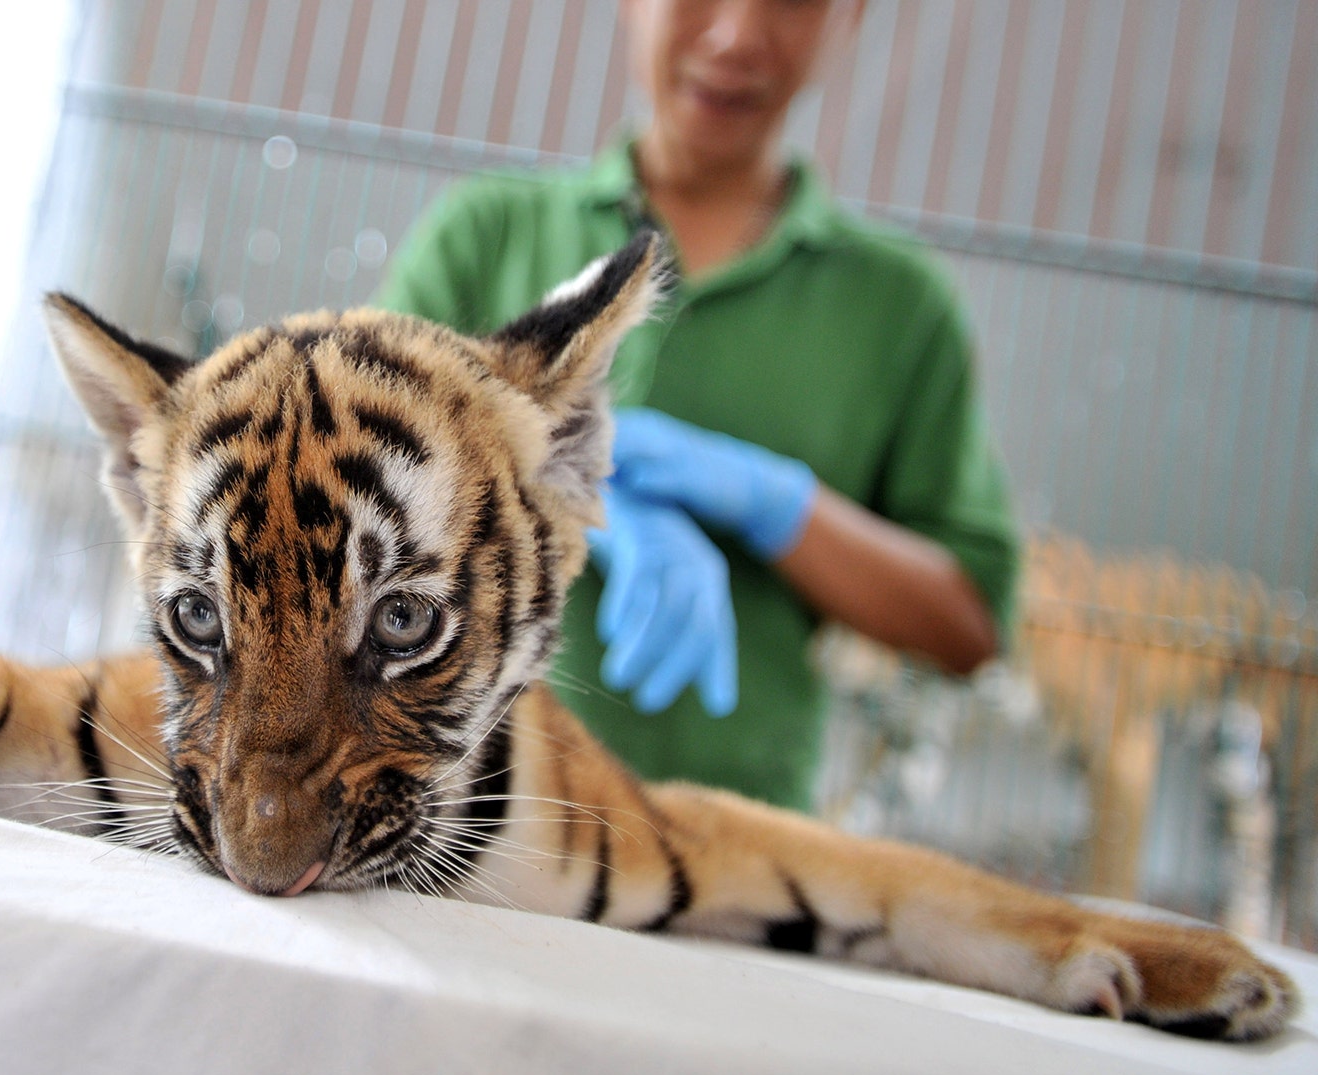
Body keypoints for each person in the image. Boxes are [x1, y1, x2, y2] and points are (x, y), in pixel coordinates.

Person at [373, 0, 1019, 811]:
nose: (738, 34)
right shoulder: (489, 233)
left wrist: (779, 504)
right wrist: (575, 488)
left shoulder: (899, 307)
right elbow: (364, 488)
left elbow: (970, 623)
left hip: (730, 829)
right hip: (464, 811)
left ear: (849, 15)